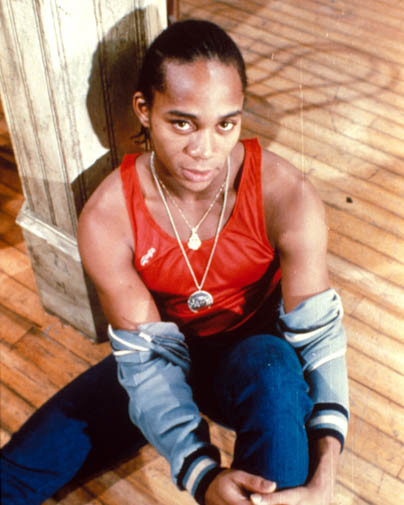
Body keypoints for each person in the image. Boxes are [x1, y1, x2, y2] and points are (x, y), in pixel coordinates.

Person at [1, 19, 349, 505]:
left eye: (225, 124)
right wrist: (203, 476)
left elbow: (320, 340)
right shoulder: (108, 217)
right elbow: (147, 367)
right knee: (11, 475)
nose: (204, 151)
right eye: (182, 123)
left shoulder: (285, 194)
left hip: (258, 363)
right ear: (144, 110)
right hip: (167, 354)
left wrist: (325, 475)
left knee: (272, 371)